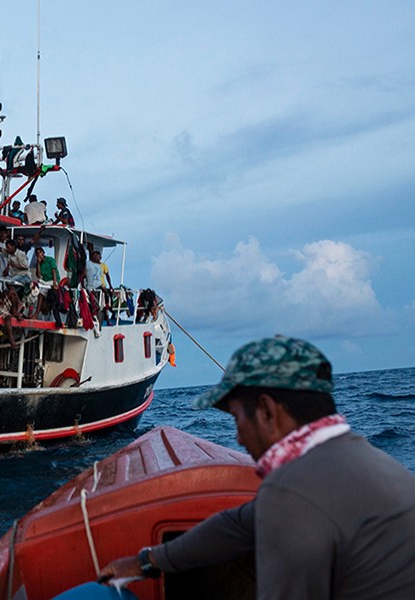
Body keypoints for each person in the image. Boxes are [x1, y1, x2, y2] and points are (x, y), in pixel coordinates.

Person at [95, 336, 415, 600]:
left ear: (266, 411)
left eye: (237, 418)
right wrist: (147, 562)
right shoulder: (371, 462)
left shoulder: (293, 490)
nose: (237, 436)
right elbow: (236, 527)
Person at [34, 247, 62, 328]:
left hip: (53, 280)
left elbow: (54, 271)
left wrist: (54, 283)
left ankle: (37, 314)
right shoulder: (39, 264)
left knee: (42, 292)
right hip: (45, 282)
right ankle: (36, 314)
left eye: (40, 252)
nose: (39, 254)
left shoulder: (50, 260)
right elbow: (38, 276)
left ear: (43, 253)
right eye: (37, 253)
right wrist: (38, 264)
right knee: (40, 290)